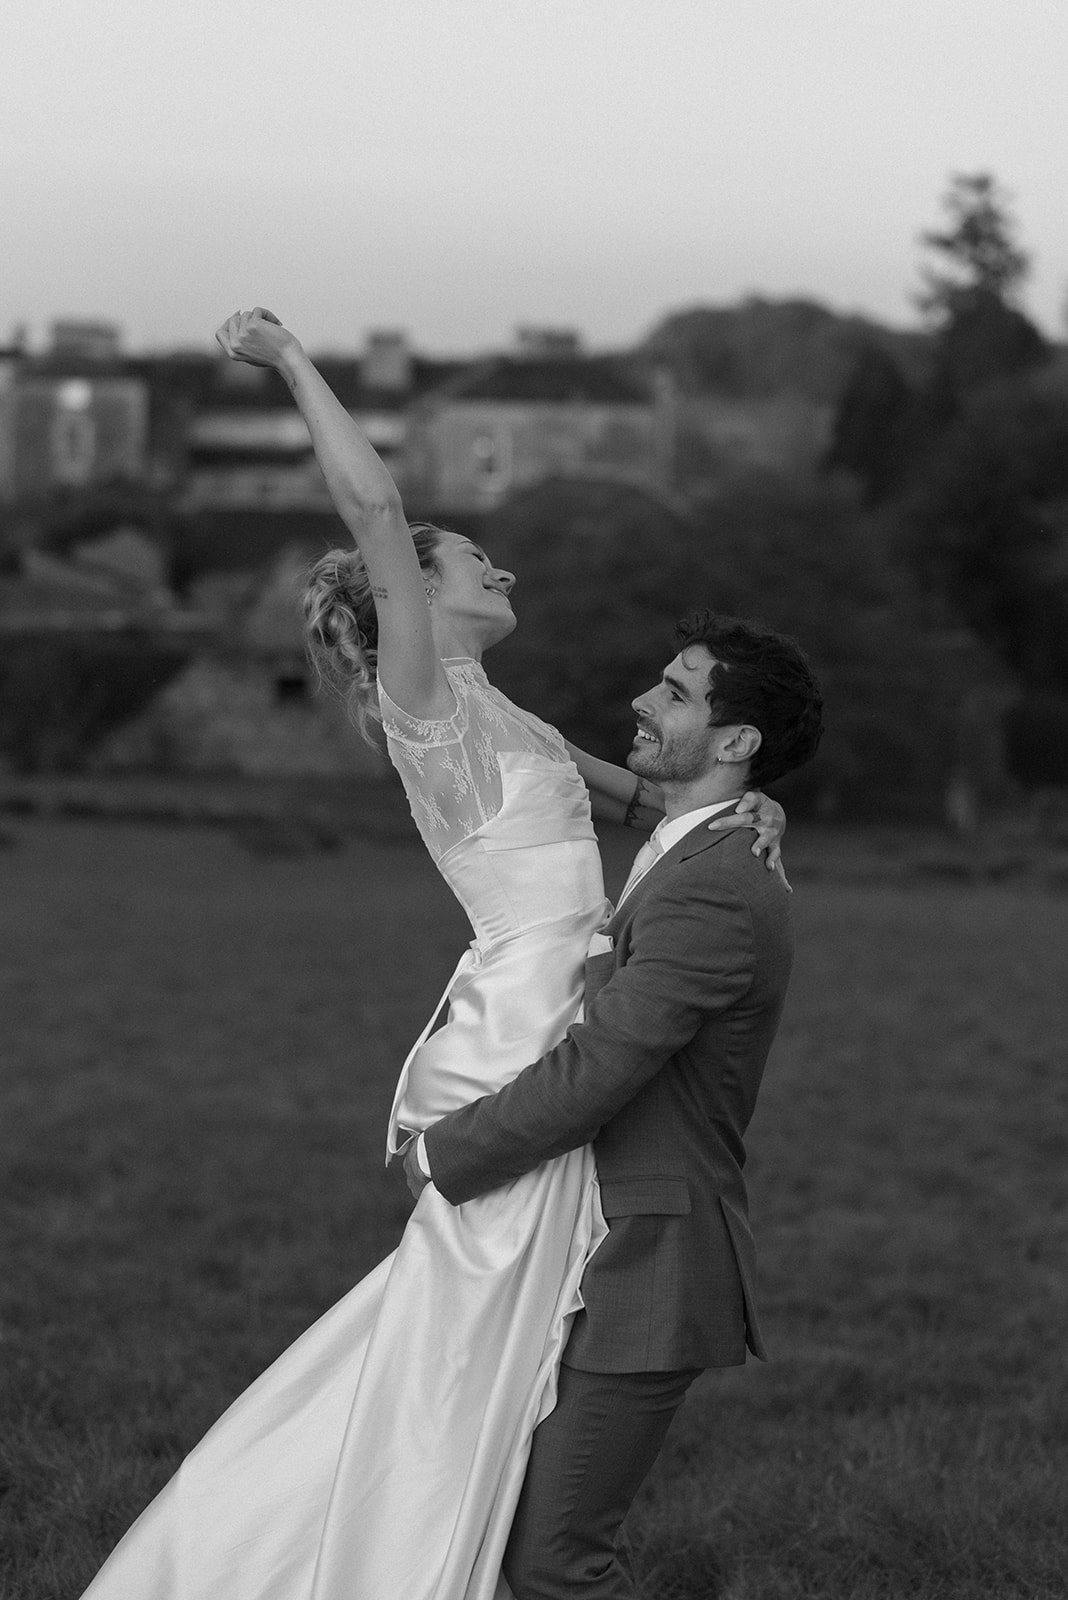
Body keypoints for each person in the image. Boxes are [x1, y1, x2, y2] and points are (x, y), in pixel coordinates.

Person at [78, 309, 789, 1600]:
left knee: (474, 1346)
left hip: (568, 1008)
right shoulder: (428, 698)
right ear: (411, 592)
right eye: (473, 559)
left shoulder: (504, 711)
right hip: (523, 1031)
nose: (500, 568)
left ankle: (434, 1538)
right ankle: (390, 1554)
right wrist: (296, 364)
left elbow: (645, 809)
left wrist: (756, 802)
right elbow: (374, 505)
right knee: (469, 1347)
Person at [409, 611, 824, 1599]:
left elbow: (602, 1067)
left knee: (555, 1562)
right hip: (589, 1242)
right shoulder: (697, 844)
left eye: (676, 691)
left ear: (736, 743)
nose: (644, 698)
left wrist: (440, 1156)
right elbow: (629, 793)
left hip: (653, 1263)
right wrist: (501, 717)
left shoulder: (715, 887)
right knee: (511, 1533)